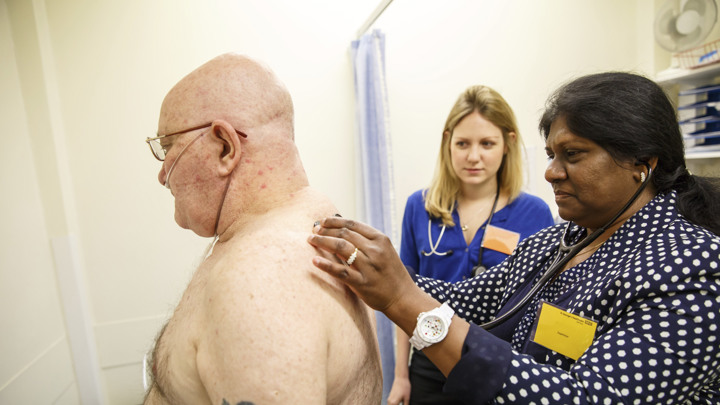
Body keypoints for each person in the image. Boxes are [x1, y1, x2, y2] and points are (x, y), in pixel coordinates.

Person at [309, 72, 720, 404]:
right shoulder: (558, 243)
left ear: (642, 163)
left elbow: (587, 398)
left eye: (572, 155)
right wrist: (364, 266)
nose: (551, 172)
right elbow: (474, 299)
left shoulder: (692, 267)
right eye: (551, 155)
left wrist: (403, 300)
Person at [142, 53, 382, 404]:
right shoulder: (309, 215)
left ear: (225, 146)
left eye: (168, 147)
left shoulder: (257, 279)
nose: (163, 174)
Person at [390, 85, 553, 405]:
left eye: (487, 144)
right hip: (429, 360)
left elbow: (542, 306)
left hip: (498, 366)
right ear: (447, 141)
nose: (473, 156)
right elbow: (400, 293)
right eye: (463, 143)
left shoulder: (534, 213)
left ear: (508, 144)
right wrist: (400, 376)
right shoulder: (419, 207)